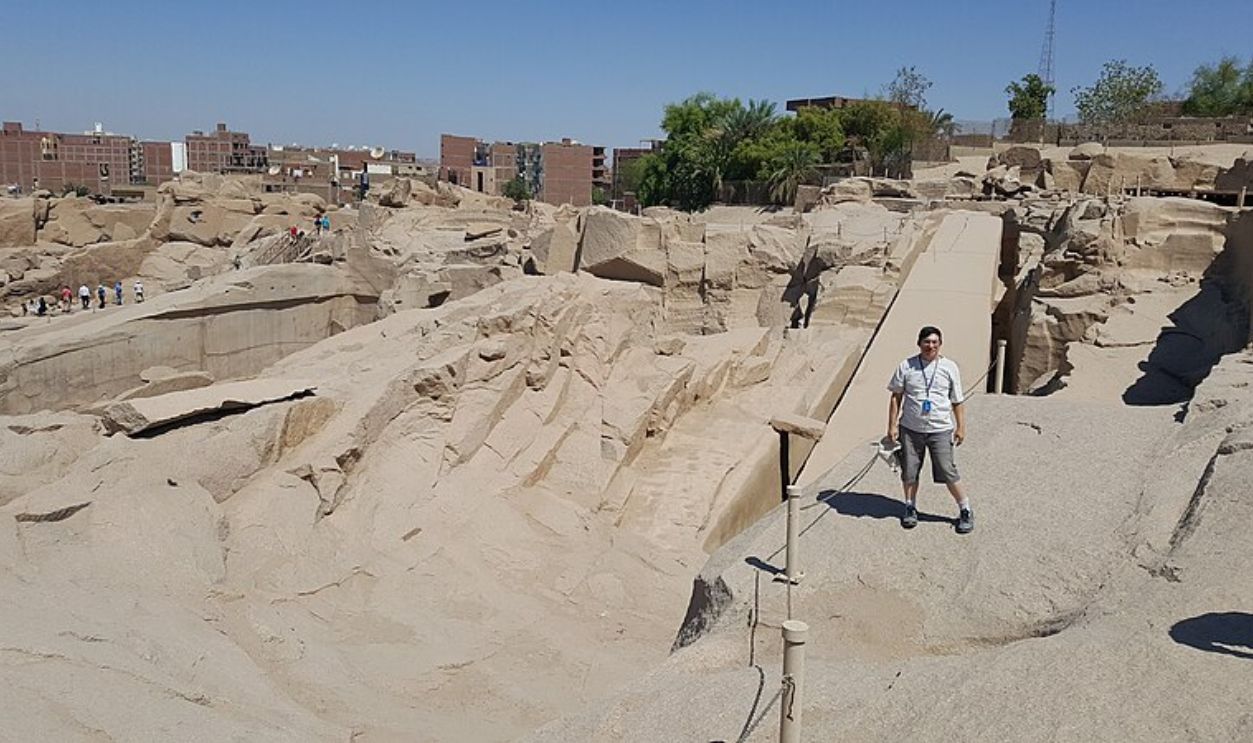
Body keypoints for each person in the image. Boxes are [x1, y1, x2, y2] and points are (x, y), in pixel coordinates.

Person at [886, 325, 973, 534]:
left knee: (947, 469)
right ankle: (909, 506)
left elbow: (957, 400)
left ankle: (965, 509)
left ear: (940, 344)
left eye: (934, 342)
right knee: (910, 471)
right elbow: (896, 396)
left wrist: (961, 427)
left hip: (940, 428)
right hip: (910, 428)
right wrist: (892, 425)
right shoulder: (906, 366)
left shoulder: (950, 367)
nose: (930, 346)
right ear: (919, 343)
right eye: (926, 342)